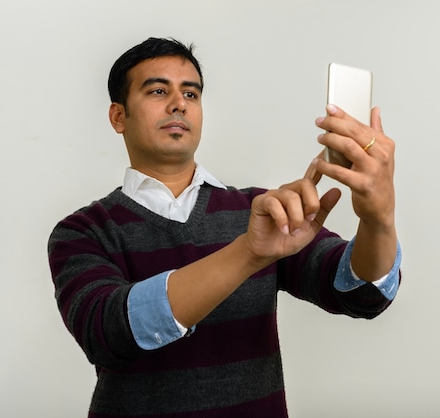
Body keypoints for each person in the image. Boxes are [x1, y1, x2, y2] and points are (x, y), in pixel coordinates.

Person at [48, 37, 401, 418]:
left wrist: (379, 220)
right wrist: (248, 253)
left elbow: (362, 292)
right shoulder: (82, 232)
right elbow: (110, 334)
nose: (179, 103)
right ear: (119, 117)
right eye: (158, 90)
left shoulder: (260, 210)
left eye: (191, 94)